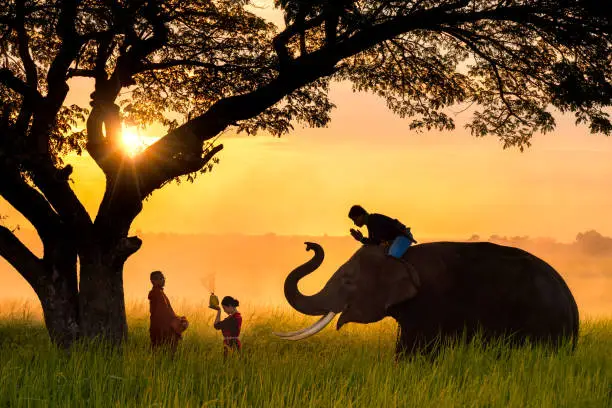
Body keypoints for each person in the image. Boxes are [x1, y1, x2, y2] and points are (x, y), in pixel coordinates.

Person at [348, 204, 417, 259]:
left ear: (361, 215)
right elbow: (374, 243)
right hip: (397, 240)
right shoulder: (370, 222)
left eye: (355, 219)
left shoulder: (374, 220)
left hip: (402, 237)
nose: (355, 223)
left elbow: (376, 242)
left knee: (391, 258)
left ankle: (410, 273)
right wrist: (361, 239)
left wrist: (362, 239)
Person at [148, 271, 188, 354]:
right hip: (163, 329)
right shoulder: (157, 293)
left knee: (158, 352)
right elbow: (163, 313)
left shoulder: (160, 292)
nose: (164, 280)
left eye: (163, 278)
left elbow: (166, 311)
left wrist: (178, 318)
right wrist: (177, 320)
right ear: (153, 281)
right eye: (161, 278)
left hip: (159, 327)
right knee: (167, 353)